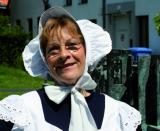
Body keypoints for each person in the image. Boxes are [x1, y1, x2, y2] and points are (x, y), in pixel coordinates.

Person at [0, 6, 141, 131]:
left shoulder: (119, 115)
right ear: (44, 59)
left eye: (72, 46)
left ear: (87, 51)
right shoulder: (22, 111)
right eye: (54, 49)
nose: (64, 54)